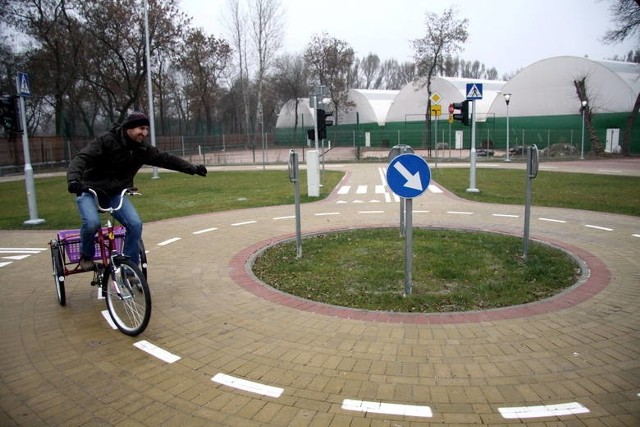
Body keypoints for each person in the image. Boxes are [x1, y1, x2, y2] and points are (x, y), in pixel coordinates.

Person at [67, 112, 207, 271]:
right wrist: (73, 180)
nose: (145, 133)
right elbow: (81, 158)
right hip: (89, 190)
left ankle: (130, 267)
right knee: (92, 223)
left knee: (135, 224)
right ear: (129, 128)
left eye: (147, 129)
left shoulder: (141, 149)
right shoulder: (106, 141)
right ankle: (86, 256)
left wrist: (193, 169)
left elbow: (166, 159)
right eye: (141, 128)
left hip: (115, 194)